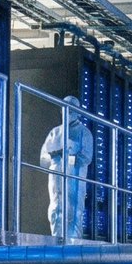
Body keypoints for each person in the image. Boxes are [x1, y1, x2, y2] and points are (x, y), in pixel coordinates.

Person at [39, 95, 94, 239]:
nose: (67, 112)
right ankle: (57, 243)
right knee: (55, 211)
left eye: (71, 109)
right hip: (55, 180)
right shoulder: (54, 133)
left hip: (74, 181)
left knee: (74, 213)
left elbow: (85, 158)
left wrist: (65, 158)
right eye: (64, 108)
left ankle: (73, 247)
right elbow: (43, 160)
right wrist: (54, 157)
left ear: (77, 112)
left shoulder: (84, 133)